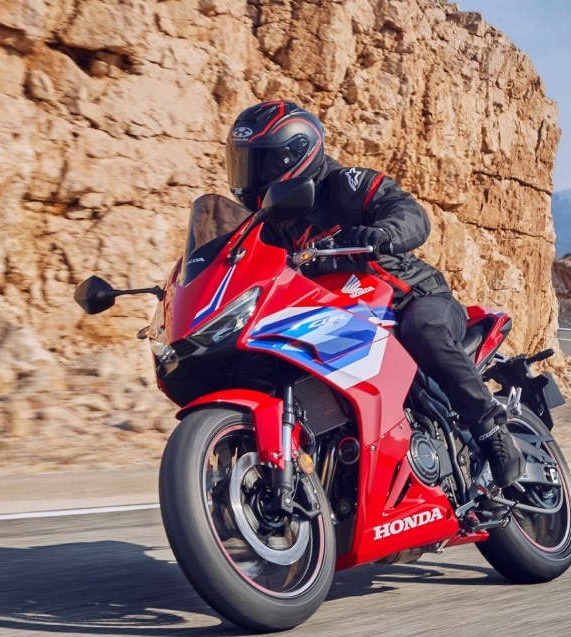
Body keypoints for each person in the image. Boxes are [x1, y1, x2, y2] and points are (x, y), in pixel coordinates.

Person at [224, 100, 523, 488]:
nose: (249, 176)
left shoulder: (344, 185)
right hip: (343, 317)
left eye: (259, 164)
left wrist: (384, 233)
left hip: (410, 299)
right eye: (243, 163)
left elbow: (409, 213)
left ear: (294, 156)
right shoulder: (267, 227)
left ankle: (490, 430)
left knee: (423, 327)